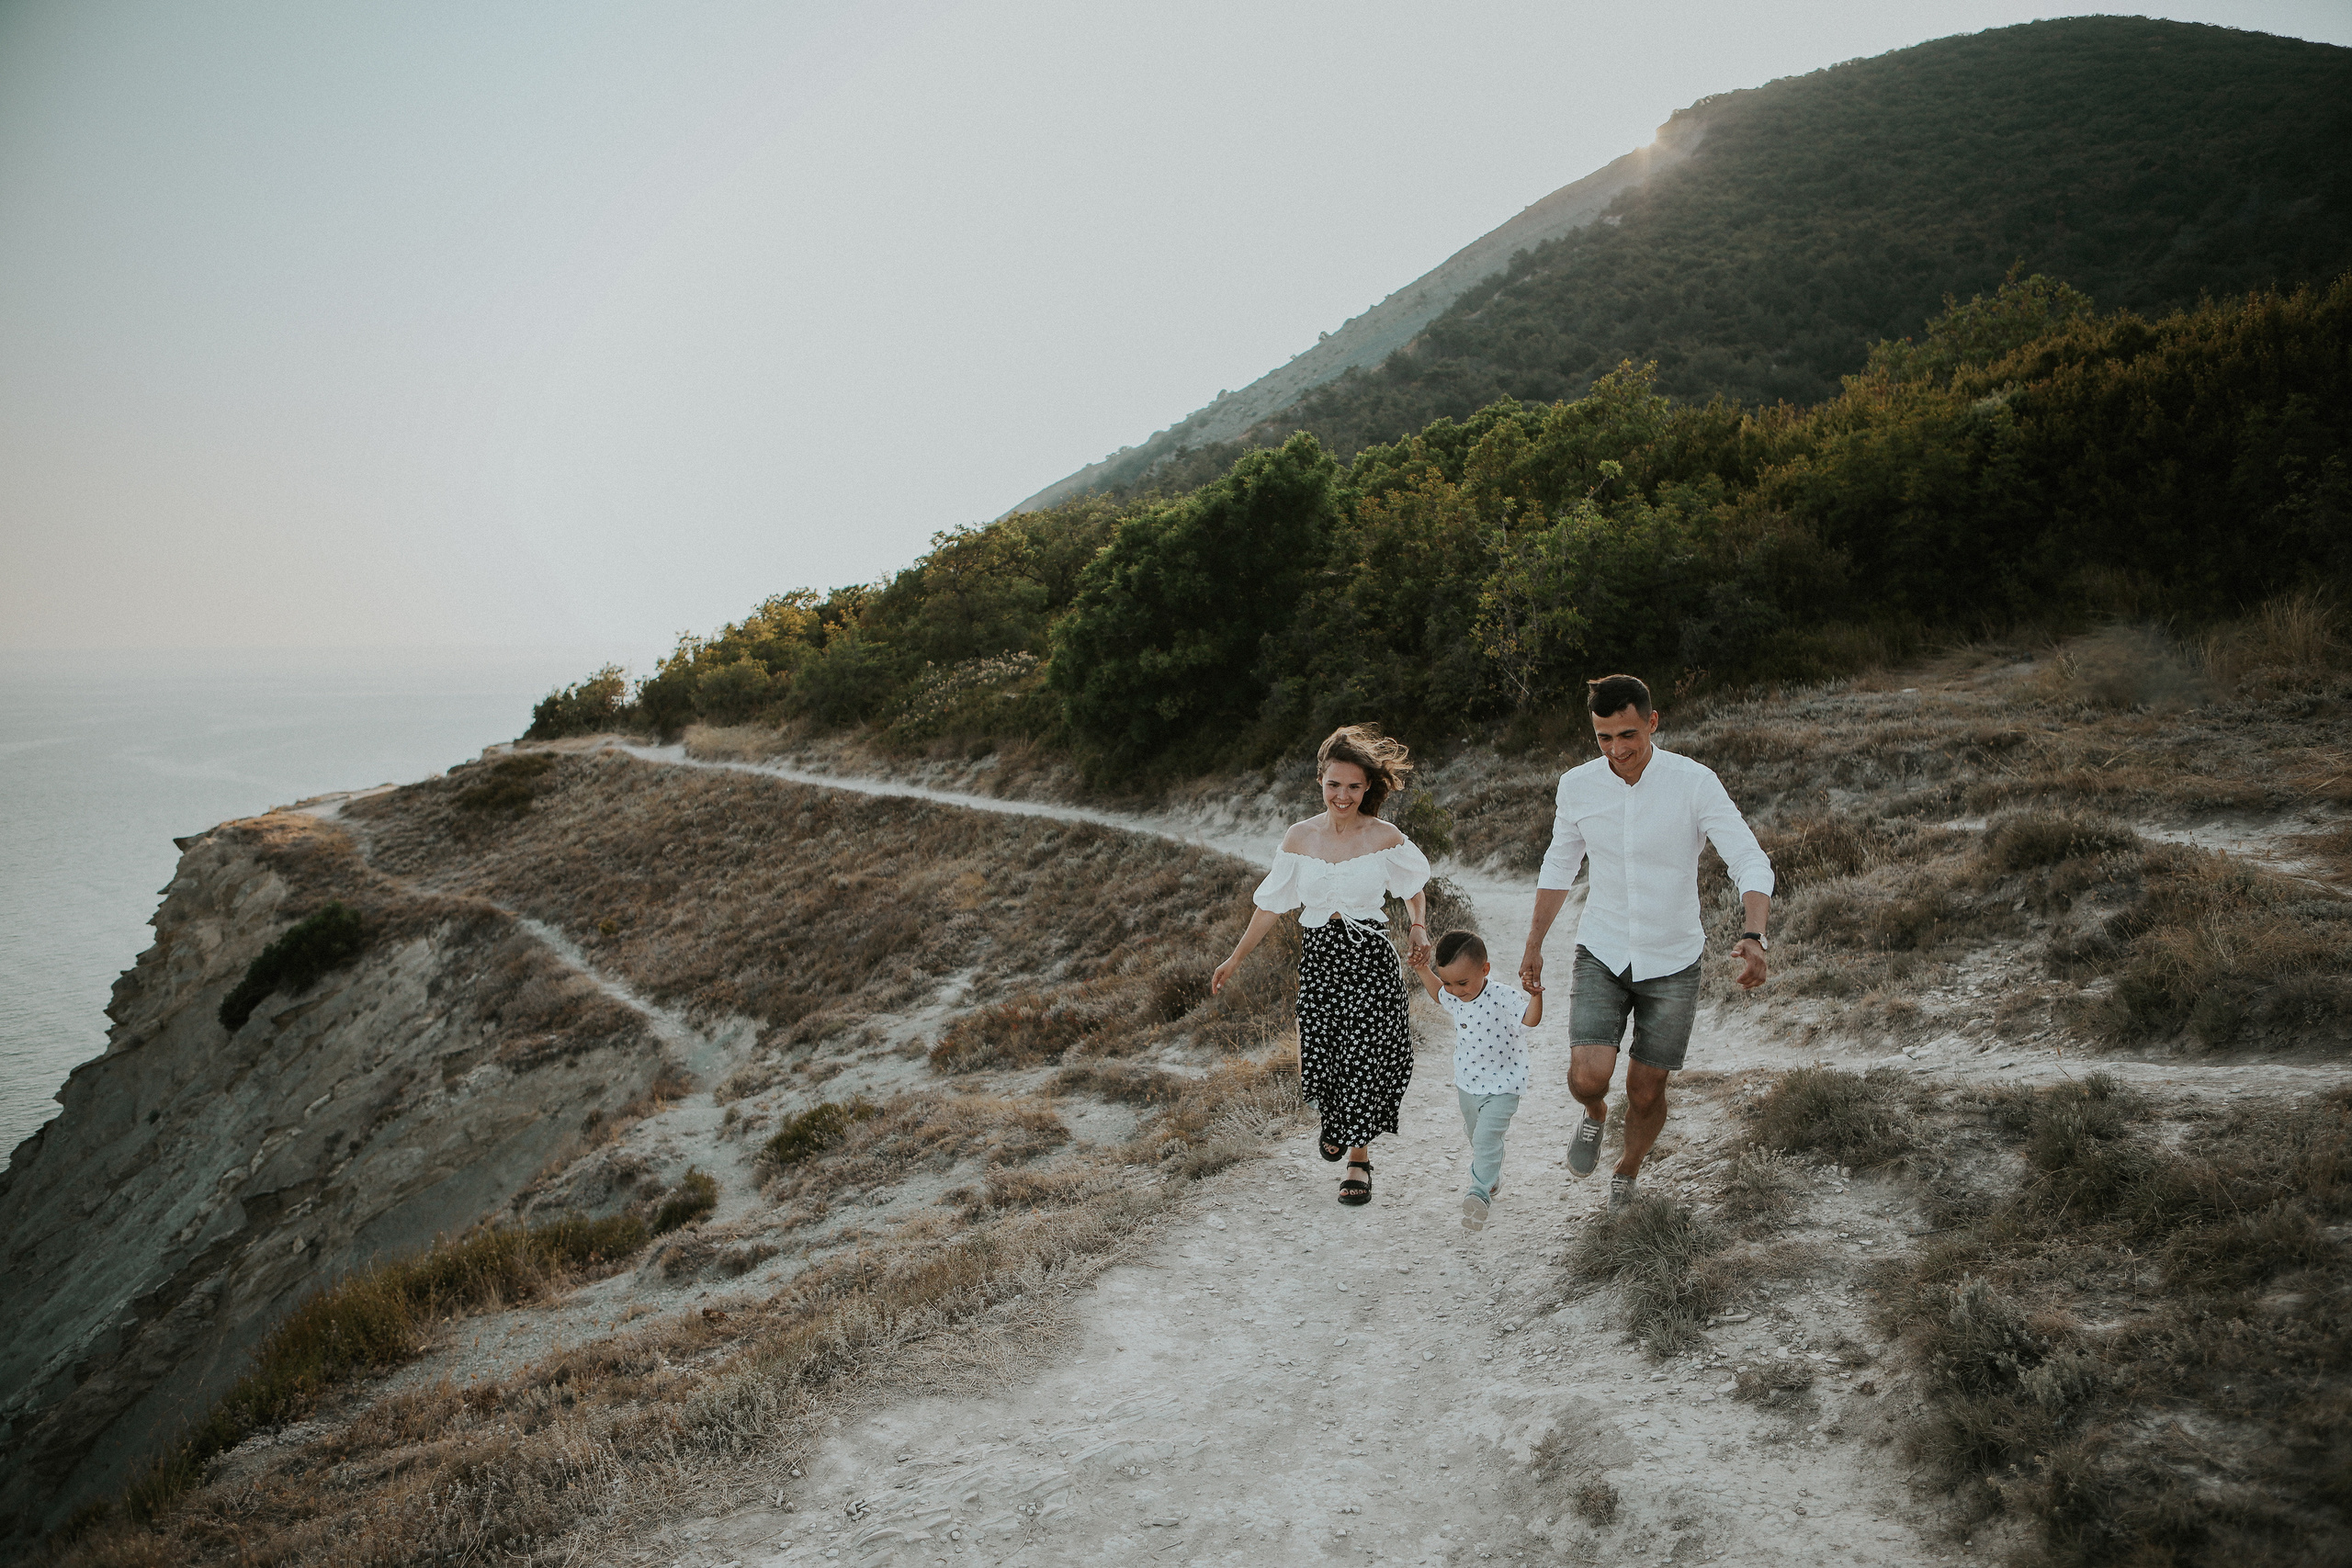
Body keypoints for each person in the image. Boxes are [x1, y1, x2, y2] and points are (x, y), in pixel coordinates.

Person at [1520, 674, 1773, 1212]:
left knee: (1646, 1090)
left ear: (1652, 723)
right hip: (1603, 948)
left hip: (1674, 959)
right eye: (1605, 738)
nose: (1618, 750)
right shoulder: (1578, 786)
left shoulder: (1695, 782)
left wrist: (1754, 934)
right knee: (1588, 1077)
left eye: (1628, 734)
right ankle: (1593, 1115)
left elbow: (1749, 859)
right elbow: (1559, 865)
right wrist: (1534, 942)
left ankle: (1627, 1170)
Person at [1213, 726, 1430, 1207]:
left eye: (1355, 786)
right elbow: (1269, 905)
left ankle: (1359, 1160)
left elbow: (1413, 884)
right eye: (1335, 784)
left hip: (1370, 958)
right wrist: (1236, 957)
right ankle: (1336, 1119)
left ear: (1368, 787)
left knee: (1365, 1058)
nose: (1344, 795)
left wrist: (1417, 925)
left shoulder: (1383, 836)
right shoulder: (1299, 837)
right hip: (1322, 960)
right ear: (1320, 780)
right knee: (1321, 1054)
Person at [1407, 930, 1541, 1233]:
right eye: (1450, 982)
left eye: (1462, 982)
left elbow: (1529, 1020)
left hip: (1504, 1086)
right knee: (1475, 1135)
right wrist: (1421, 968)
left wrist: (1535, 995)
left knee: (1485, 1139)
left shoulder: (1503, 996)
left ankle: (1478, 1193)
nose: (1454, 990)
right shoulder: (1456, 996)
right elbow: (1438, 993)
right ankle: (1490, 1176)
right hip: (1467, 1084)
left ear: (1485, 969)